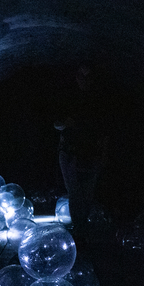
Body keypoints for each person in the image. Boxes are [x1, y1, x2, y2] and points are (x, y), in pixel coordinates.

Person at [54, 62, 109, 237]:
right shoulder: (67, 98)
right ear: (76, 78)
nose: (84, 81)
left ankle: (82, 228)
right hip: (70, 152)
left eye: (88, 77)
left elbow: (105, 130)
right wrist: (66, 123)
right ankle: (79, 228)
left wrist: (103, 153)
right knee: (75, 193)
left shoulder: (98, 101)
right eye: (81, 77)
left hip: (91, 153)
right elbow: (56, 123)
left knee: (87, 193)